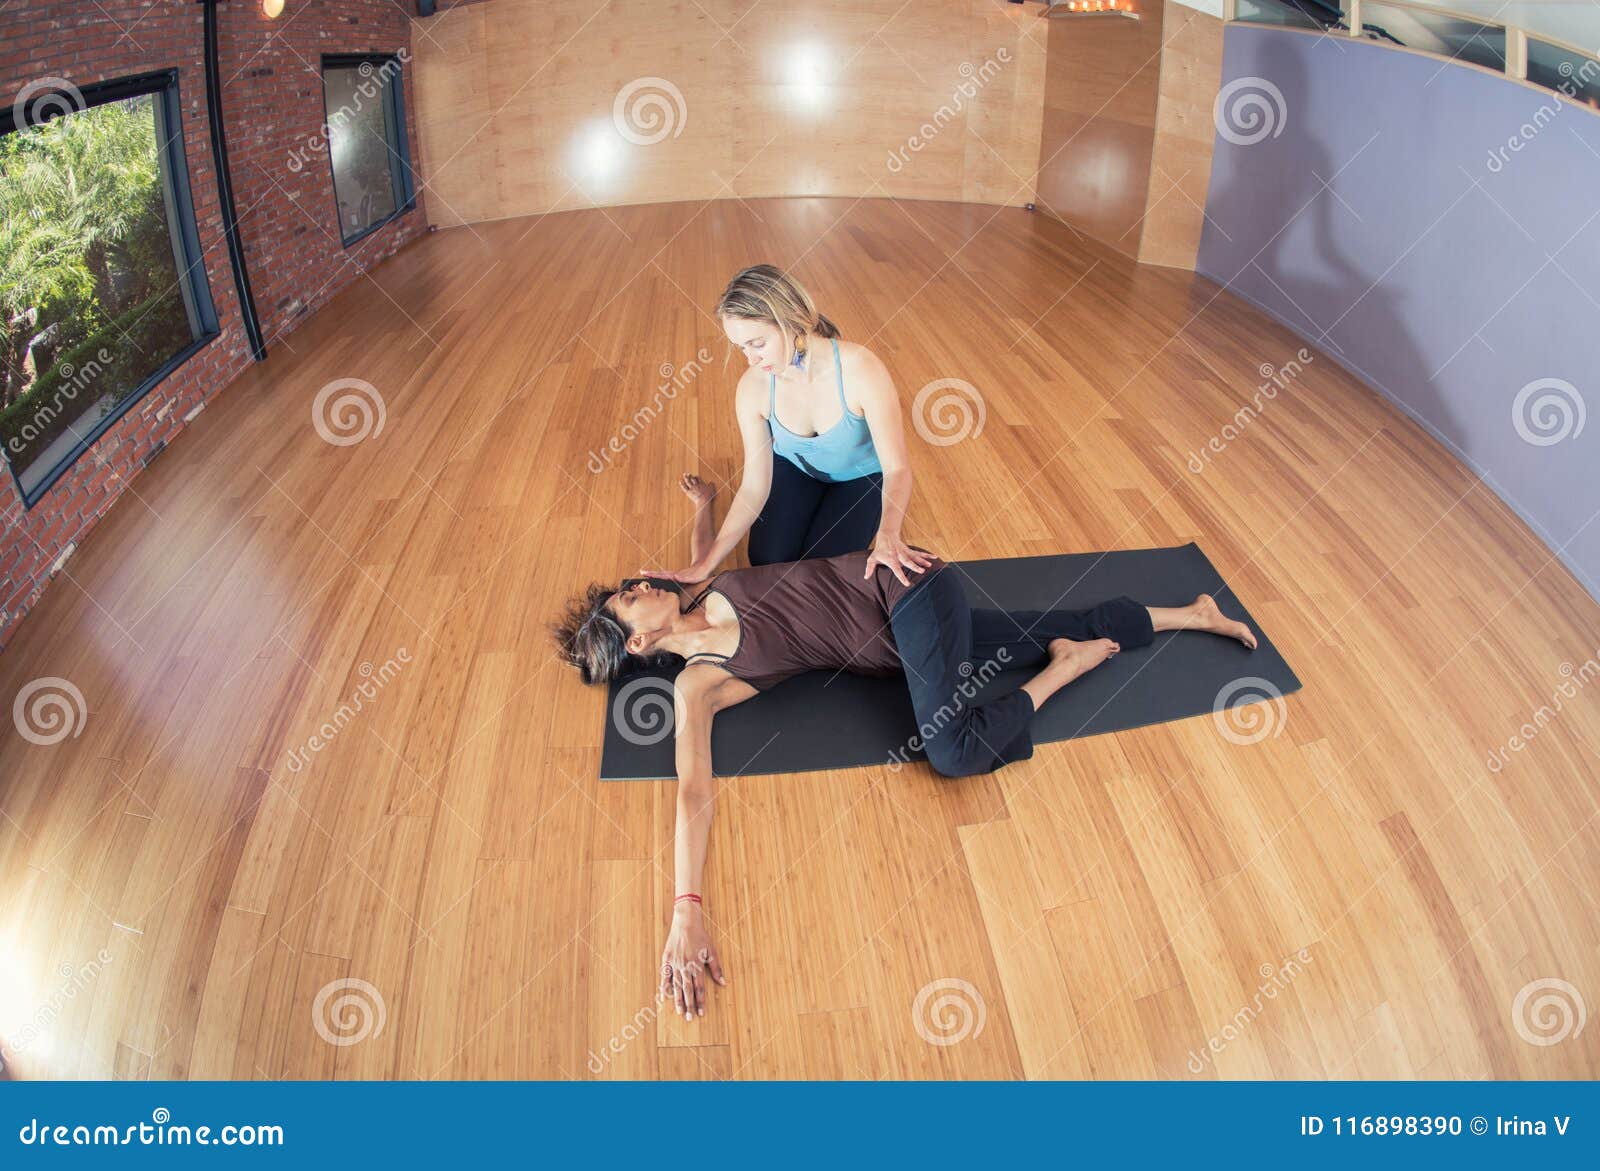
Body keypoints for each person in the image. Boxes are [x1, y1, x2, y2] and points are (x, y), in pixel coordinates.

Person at [551, 495, 1259, 1023]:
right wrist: (686, 911)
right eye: (630, 598)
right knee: (1028, 633)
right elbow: (691, 792)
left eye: (635, 582)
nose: (642, 585)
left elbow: (699, 552)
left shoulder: (699, 587)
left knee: (949, 752)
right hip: (908, 647)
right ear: (639, 644)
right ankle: (1191, 613)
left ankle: (1062, 673)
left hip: (906, 584)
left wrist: (704, 508)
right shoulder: (698, 684)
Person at [642, 263, 933, 587]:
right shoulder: (753, 387)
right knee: (768, 561)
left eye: (757, 343)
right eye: (741, 347)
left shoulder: (861, 370)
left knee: (821, 571)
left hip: (861, 478)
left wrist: (889, 533)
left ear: (792, 318)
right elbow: (754, 487)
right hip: (797, 470)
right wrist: (706, 563)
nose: (750, 359)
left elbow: (897, 469)